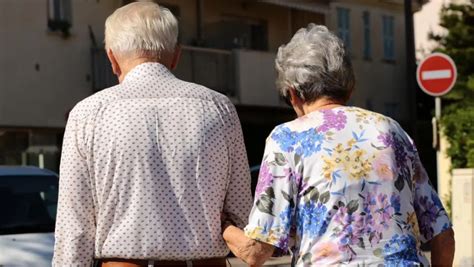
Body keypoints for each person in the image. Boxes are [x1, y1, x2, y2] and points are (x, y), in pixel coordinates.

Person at [223, 24, 455, 266]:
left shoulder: (287, 138)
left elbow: (256, 251)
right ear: (349, 87)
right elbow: (444, 236)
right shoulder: (392, 131)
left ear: (293, 93)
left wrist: (223, 225)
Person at [53, 2, 252, 266]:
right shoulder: (219, 108)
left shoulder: (88, 115)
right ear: (176, 56)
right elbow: (241, 214)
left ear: (112, 58)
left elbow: (75, 227)